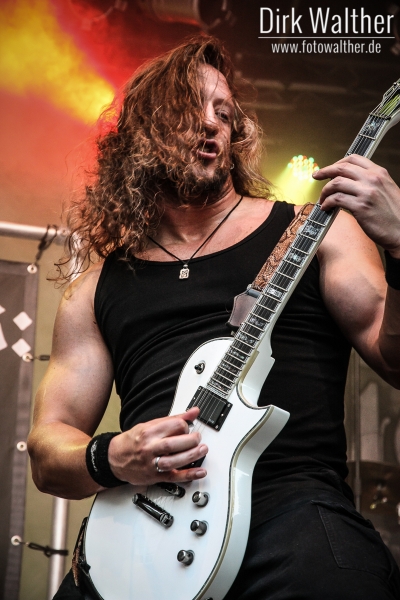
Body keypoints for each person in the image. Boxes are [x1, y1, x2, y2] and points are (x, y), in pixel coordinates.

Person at [27, 36, 400, 599]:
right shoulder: (95, 288)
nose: (210, 124)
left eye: (224, 113)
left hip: (292, 518)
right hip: (142, 535)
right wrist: (114, 455)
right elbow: (47, 449)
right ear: (141, 134)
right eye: (189, 109)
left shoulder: (315, 232)